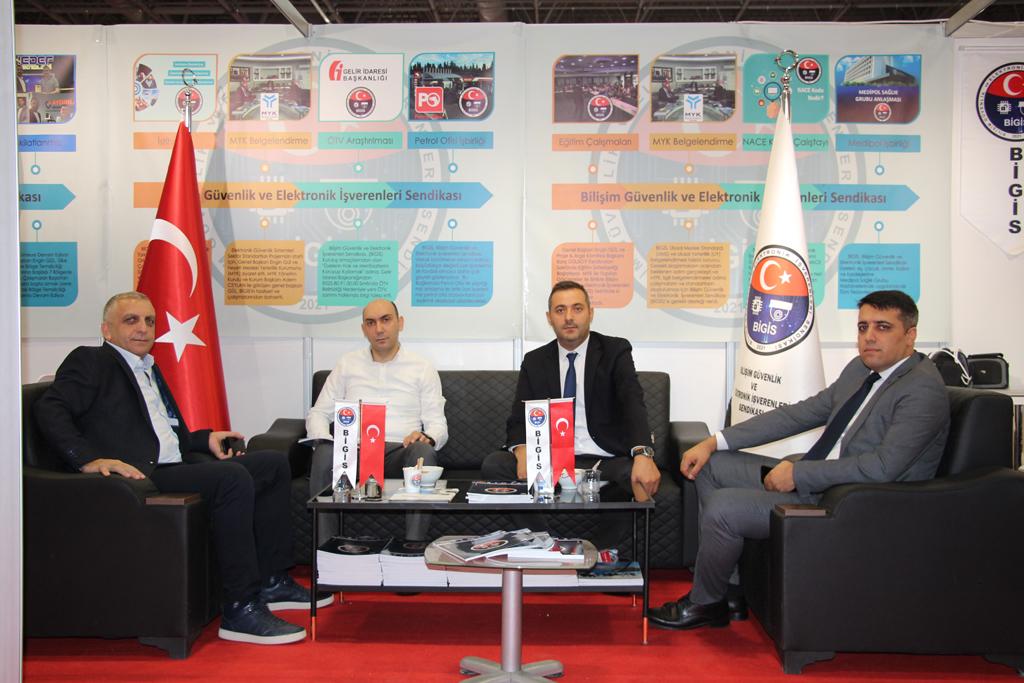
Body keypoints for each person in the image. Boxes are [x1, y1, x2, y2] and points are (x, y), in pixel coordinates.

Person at [34, 291, 332, 646]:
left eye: (149, 321)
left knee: (272, 464)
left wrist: (203, 439)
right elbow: (50, 409)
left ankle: (272, 580)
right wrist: (87, 459)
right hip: (139, 476)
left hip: (173, 463)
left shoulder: (147, 367)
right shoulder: (92, 361)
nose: (143, 329)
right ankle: (240, 607)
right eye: (131, 320)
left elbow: (162, 432)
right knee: (232, 477)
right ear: (107, 330)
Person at [649, 290, 950, 631]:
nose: (869, 336)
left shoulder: (921, 390)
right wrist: (715, 441)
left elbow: (882, 468)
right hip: (819, 481)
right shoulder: (860, 370)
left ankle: (705, 603)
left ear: (910, 335)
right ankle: (728, 591)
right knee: (711, 466)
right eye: (863, 326)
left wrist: (800, 474)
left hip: (852, 502)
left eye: (883, 327)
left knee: (723, 508)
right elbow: (799, 414)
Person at [481, 280, 661, 550]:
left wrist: (643, 454)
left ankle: (596, 551)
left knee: (632, 474)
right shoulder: (535, 361)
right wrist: (523, 452)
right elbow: (518, 417)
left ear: (590, 312)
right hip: (550, 459)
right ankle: (547, 543)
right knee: (494, 465)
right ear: (549, 318)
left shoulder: (615, 351)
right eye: (560, 310)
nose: (568, 317)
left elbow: (632, 404)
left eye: (577, 308)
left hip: (603, 459)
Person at [306, 299, 448, 542]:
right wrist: (329, 441)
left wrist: (427, 437)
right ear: (364, 329)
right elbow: (318, 413)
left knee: (423, 452)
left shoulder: (422, 367)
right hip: (355, 451)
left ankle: (413, 547)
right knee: (324, 452)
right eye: (371, 323)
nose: (379, 329)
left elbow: (438, 425)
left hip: (399, 451)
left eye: (386, 320)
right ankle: (325, 550)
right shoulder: (347, 364)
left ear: (400, 323)